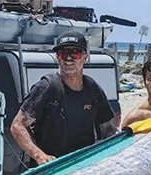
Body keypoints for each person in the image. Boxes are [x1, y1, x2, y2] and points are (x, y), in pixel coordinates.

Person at [10, 31, 115, 167]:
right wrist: (40, 156)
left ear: (85, 57)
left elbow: (108, 130)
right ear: (57, 58)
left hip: (83, 166)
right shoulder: (47, 87)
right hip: (51, 168)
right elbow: (17, 126)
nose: (68, 58)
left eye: (75, 53)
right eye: (62, 54)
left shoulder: (93, 88)